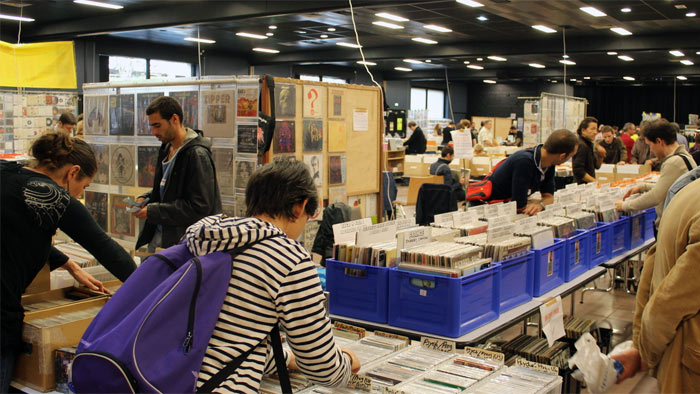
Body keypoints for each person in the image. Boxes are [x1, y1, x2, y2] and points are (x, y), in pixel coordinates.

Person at [192, 158, 360, 392]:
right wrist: (347, 362)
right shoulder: (288, 259)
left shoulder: (203, 239)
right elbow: (323, 369)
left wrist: (286, 358)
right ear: (299, 207)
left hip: (169, 377)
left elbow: (233, 339)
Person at [0, 132, 136, 392]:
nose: (79, 196)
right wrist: (152, 291)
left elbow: (15, 230)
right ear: (72, 172)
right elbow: (106, 249)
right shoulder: (52, 196)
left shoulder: (6, 172)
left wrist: (69, 265)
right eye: (83, 187)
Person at [613, 177, 700, 393]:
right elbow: (670, 302)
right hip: (688, 361)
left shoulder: (687, 190)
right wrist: (647, 350)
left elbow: (652, 268)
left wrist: (642, 347)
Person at [134, 96, 221, 252]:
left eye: (157, 125)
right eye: (152, 126)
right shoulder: (166, 148)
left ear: (174, 119)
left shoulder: (196, 155)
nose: (154, 132)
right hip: (162, 240)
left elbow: (199, 207)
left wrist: (154, 211)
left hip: (184, 246)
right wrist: (147, 198)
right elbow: (168, 189)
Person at [616, 119, 696, 225]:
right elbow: (669, 188)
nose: (651, 150)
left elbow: (656, 196)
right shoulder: (684, 156)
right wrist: (643, 187)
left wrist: (625, 205)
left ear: (659, 141)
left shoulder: (674, 162)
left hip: (673, 225)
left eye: (650, 145)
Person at [488, 129, 578, 215]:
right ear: (562, 156)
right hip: (492, 209)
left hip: (508, 209)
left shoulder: (549, 162)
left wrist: (540, 204)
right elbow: (519, 206)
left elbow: (549, 197)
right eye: (570, 156)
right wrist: (535, 202)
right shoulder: (524, 162)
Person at [572, 117, 605, 183]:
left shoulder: (589, 144)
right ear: (583, 130)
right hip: (581, 187)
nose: (595, 132)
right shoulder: (582, 145)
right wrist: (595, 182)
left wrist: (601, 156)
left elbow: (596, 166)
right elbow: (578, 170)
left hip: (588, 185)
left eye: (596, 129)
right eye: (592, 129)